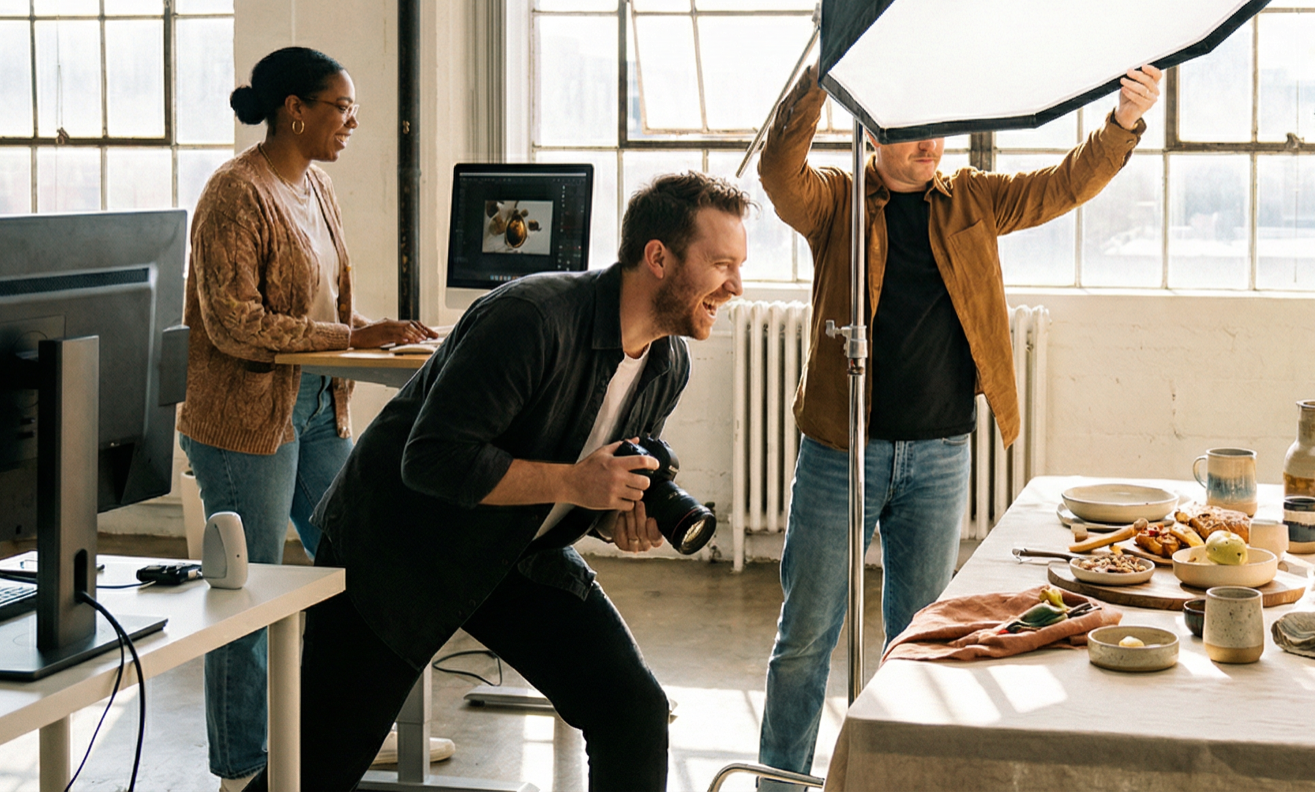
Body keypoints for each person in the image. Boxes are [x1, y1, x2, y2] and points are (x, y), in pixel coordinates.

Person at [246, 172, 751, 792]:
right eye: (722, 263)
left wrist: (615, 515)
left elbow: (585, 477)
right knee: (314, 769)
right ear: (658, 258)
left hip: (513, 554)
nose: (736, 286)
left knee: (632, 711)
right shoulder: (531, 318)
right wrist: (578, 483)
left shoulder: (667, 363)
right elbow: (430, 459)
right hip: (401, 549)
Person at [755, 64, 1162, 782]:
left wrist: (1123, 122)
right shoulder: (838, 199)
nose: (929, 146)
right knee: (806, 635)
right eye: (912, 134)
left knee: (926, 634)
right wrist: (825, 73)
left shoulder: (971, 197)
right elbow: (779, 171)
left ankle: (903, 777)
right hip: (840, 450)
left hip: (941, 453)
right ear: (875, 131)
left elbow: (1065, 183)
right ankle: (778, 778)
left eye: (937, 132)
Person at [178, 46, 436, 792]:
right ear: (296, 109)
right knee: (247, 596)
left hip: (319, 404)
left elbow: (323, 306)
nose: (352, 122)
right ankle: (244, 767)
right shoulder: (235, 192)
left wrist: (365, 335)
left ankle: (335, 729)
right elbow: (232, 322)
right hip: (245, 418)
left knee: (360, 563)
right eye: (342, 107)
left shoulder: (316, 187)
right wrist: (348, 339)